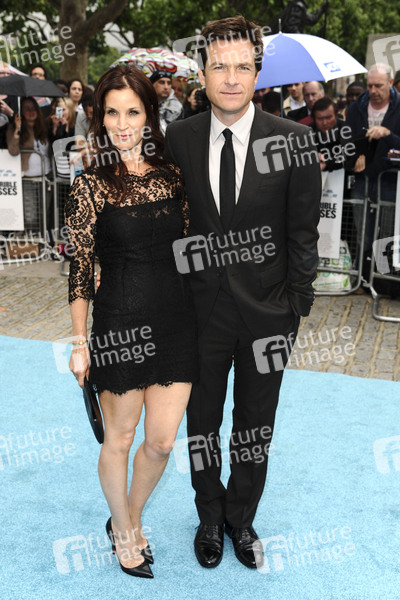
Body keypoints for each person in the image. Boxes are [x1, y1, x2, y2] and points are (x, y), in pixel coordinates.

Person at [165, 15, 320, 570]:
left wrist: (295, 308)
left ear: (258, 72)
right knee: (201, 424)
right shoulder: (178, 139)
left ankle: (241, 518)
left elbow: (303, 234)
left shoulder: (294, 141)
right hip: (198, 313)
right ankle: (209, 517)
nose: (231, 78)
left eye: (242, 67)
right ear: (202, 73)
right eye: (219, 66)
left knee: (255, 426)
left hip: (268, 315)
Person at [66, 64, 198, 578]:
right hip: (119, 323)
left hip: (175, 321)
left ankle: (132, 515)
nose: (122, 124)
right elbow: (80, 270)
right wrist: (80, 342)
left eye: (133, 112)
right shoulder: (89, 187)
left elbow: (188, 248)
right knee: (118, 439)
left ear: (149, 116)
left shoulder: (172, 177)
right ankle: (123, 532)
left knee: (161, 441)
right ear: (100, 119)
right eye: (112, 113)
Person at [346, 63, 400, 264]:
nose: (373, 91)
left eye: (378, 85)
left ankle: (383, 276)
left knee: (387, 234)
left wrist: (388, 134)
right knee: (363, 234)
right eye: (370, 86)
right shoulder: (356, 108)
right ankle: (363, 274)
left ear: (391, 82)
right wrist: (353, 159)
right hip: (362, 180)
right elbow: (347, 141)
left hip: (390, 181)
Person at [7, 97, 52, 231]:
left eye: (33, 108)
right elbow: (13, 151)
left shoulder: (44, 127)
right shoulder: (14, 128)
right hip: (28, 178)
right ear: (21, 112)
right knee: (30, 215)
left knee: (45, 213)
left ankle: (43, 240)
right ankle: (31, 240)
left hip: (46, 177)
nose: (31, 111)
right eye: (27, 109)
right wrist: (17, 129)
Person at [48, 96, 76, 178]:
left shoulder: (76, 125)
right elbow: (53, 146)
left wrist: (66, 129)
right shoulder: (53, 124)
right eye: (59, 109)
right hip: (59, 168)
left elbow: (71, 146)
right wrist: (54, 128)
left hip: (73, 167)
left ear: (70, 110)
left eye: (63, 110)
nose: (61, 112)